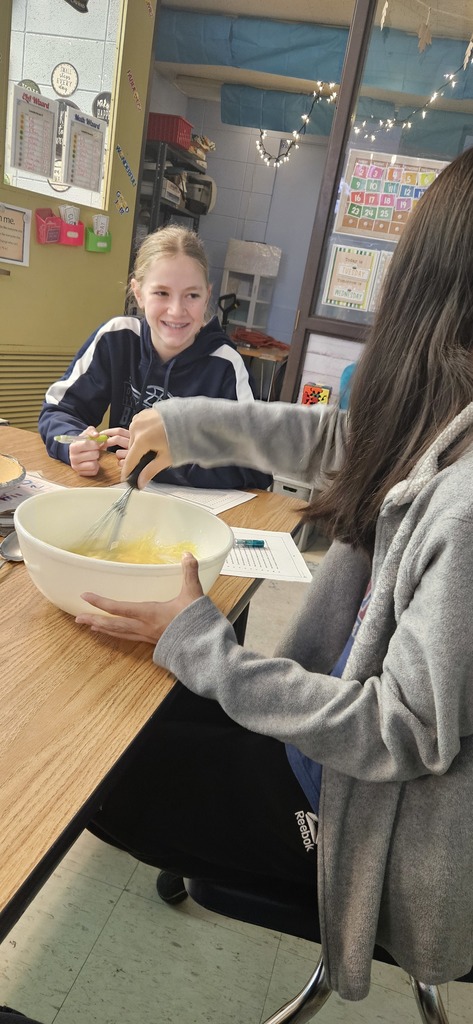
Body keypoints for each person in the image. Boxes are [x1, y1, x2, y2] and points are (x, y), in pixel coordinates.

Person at [75, 147, 473, 1002]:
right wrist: (186, 423)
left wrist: (204, 646)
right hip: (321, 743)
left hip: (359, 819)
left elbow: (396, 733)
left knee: (95, 777)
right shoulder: (448, 417)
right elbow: (341, 440)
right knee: (128, 708)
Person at [38, 225, 271, 492]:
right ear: (138, 293)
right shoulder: (117, 338)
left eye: (192, 295)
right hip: (124, 497)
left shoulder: (226, 365)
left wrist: (171, 461)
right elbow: (58, 410)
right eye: (161, 293)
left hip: (194, 514)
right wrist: (74, 445)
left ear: (207, 295)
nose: (176, 311)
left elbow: (258, 467)